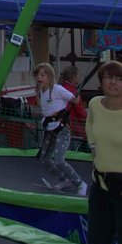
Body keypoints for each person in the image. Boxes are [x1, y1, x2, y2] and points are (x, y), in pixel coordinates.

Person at [85, 59, 122, 244]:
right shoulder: (95, 104)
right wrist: (93, 147)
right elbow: (90, 124)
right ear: (101, 81)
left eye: (118, 79)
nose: (113, 83)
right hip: (100, 186)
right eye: (108, 78)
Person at [33, 62, 87, 195]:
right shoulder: (41, 91)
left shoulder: (57, 89)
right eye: (37, 75)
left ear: (50, 77)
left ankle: (80, 183)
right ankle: (65, 180)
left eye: (42, 75)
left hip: (62, 130)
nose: (39, 77)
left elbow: (73, 100)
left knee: (59, 160)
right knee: (44, 158)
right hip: (50, 130)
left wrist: (76, 98)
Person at [60, 65, 87, 141]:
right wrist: (87, 118)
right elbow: (80, 111)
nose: (79, 78)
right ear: (74, 77)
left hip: (59, 122)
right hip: (72, 124)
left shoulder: (59, 87)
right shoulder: (73, 92)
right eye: (78, 76)